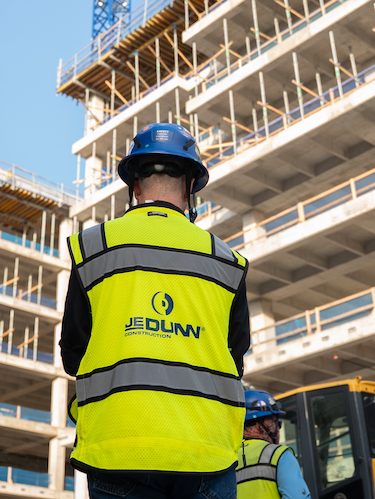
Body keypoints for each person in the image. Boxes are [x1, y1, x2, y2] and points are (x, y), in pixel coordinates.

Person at [60, 122, 251, 499]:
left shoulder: (94, 247)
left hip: (117, 444)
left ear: (134, 185)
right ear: (191, 185)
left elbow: (73, 354)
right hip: (206, 448)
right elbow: (236, 354)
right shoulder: (227, 261)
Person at [237, 391, 310, 499]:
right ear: (263, 422)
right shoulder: (279, 455)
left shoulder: (228, 459)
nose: (277, 427)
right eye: (275, 420)